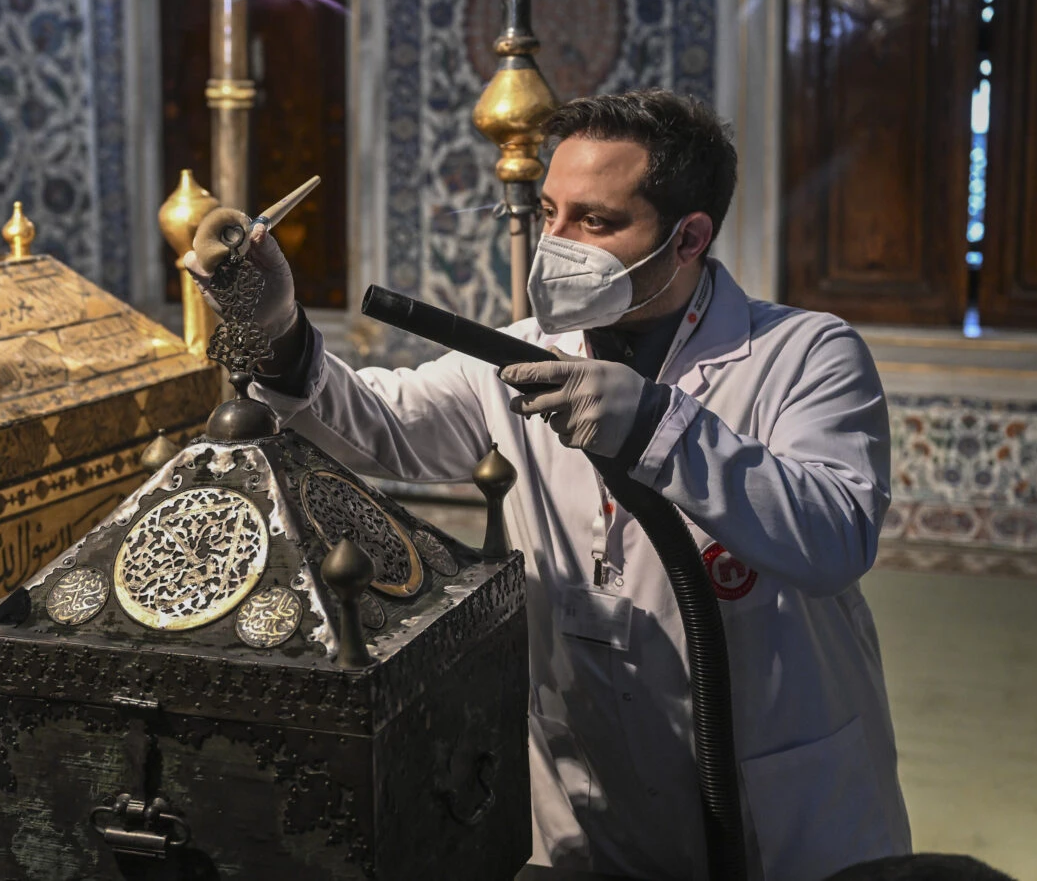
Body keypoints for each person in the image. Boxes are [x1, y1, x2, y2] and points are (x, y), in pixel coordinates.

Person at [185, 89, 912, 881]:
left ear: (689, 237)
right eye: (551, 211)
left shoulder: (806, 355)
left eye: (596, 222)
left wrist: (656, 427)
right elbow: (382, 424)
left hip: (777, 813)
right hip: (588, 811)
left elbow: (835, 535)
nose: (555, 243)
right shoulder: (523, 353)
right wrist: (279, 331)